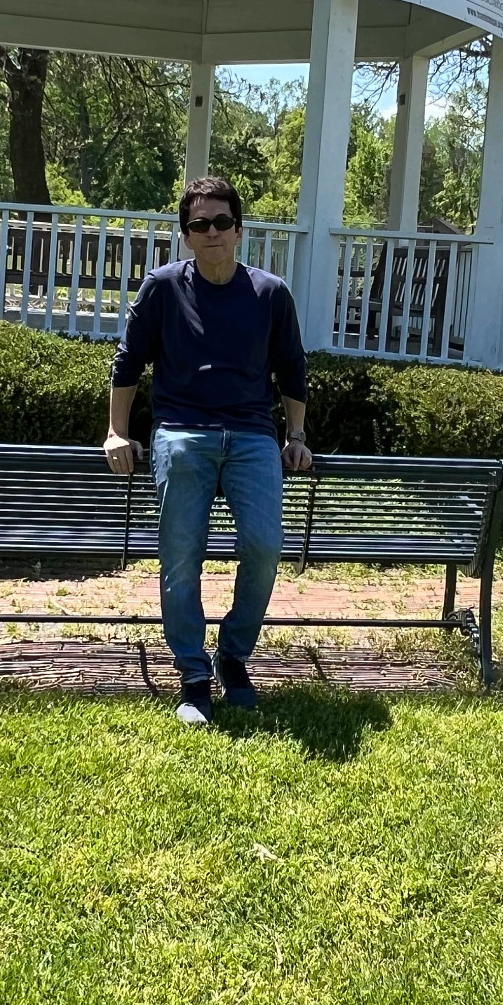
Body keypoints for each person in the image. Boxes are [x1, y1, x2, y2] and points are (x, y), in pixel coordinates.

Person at [105, 176, 311, 724]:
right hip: (182, 433)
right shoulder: (163, 288)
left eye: (222, 222)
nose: (212, 232)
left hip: (251, 436)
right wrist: (116, 432)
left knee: (266, 546)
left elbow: (292, 369)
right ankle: (194, 676)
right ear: (187, 235)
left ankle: (232, 656)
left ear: (239, 229)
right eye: (200, 224)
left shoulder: (270, 293)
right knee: (181, 558)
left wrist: (296, 437)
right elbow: (127, 364)